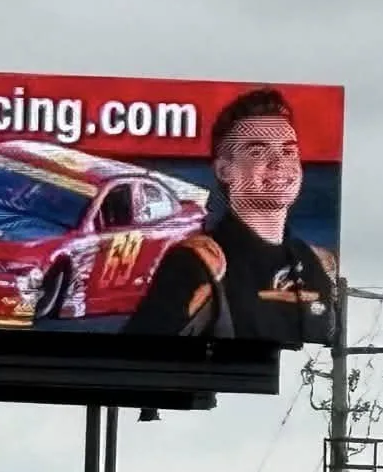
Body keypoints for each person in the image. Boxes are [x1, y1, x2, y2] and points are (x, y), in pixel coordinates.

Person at [123, 87, 337, 346]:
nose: (279, 162)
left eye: (288, 150)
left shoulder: (320, 264)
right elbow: (134, 364)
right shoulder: (198, 263)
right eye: (258, 152)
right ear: (225, 170)